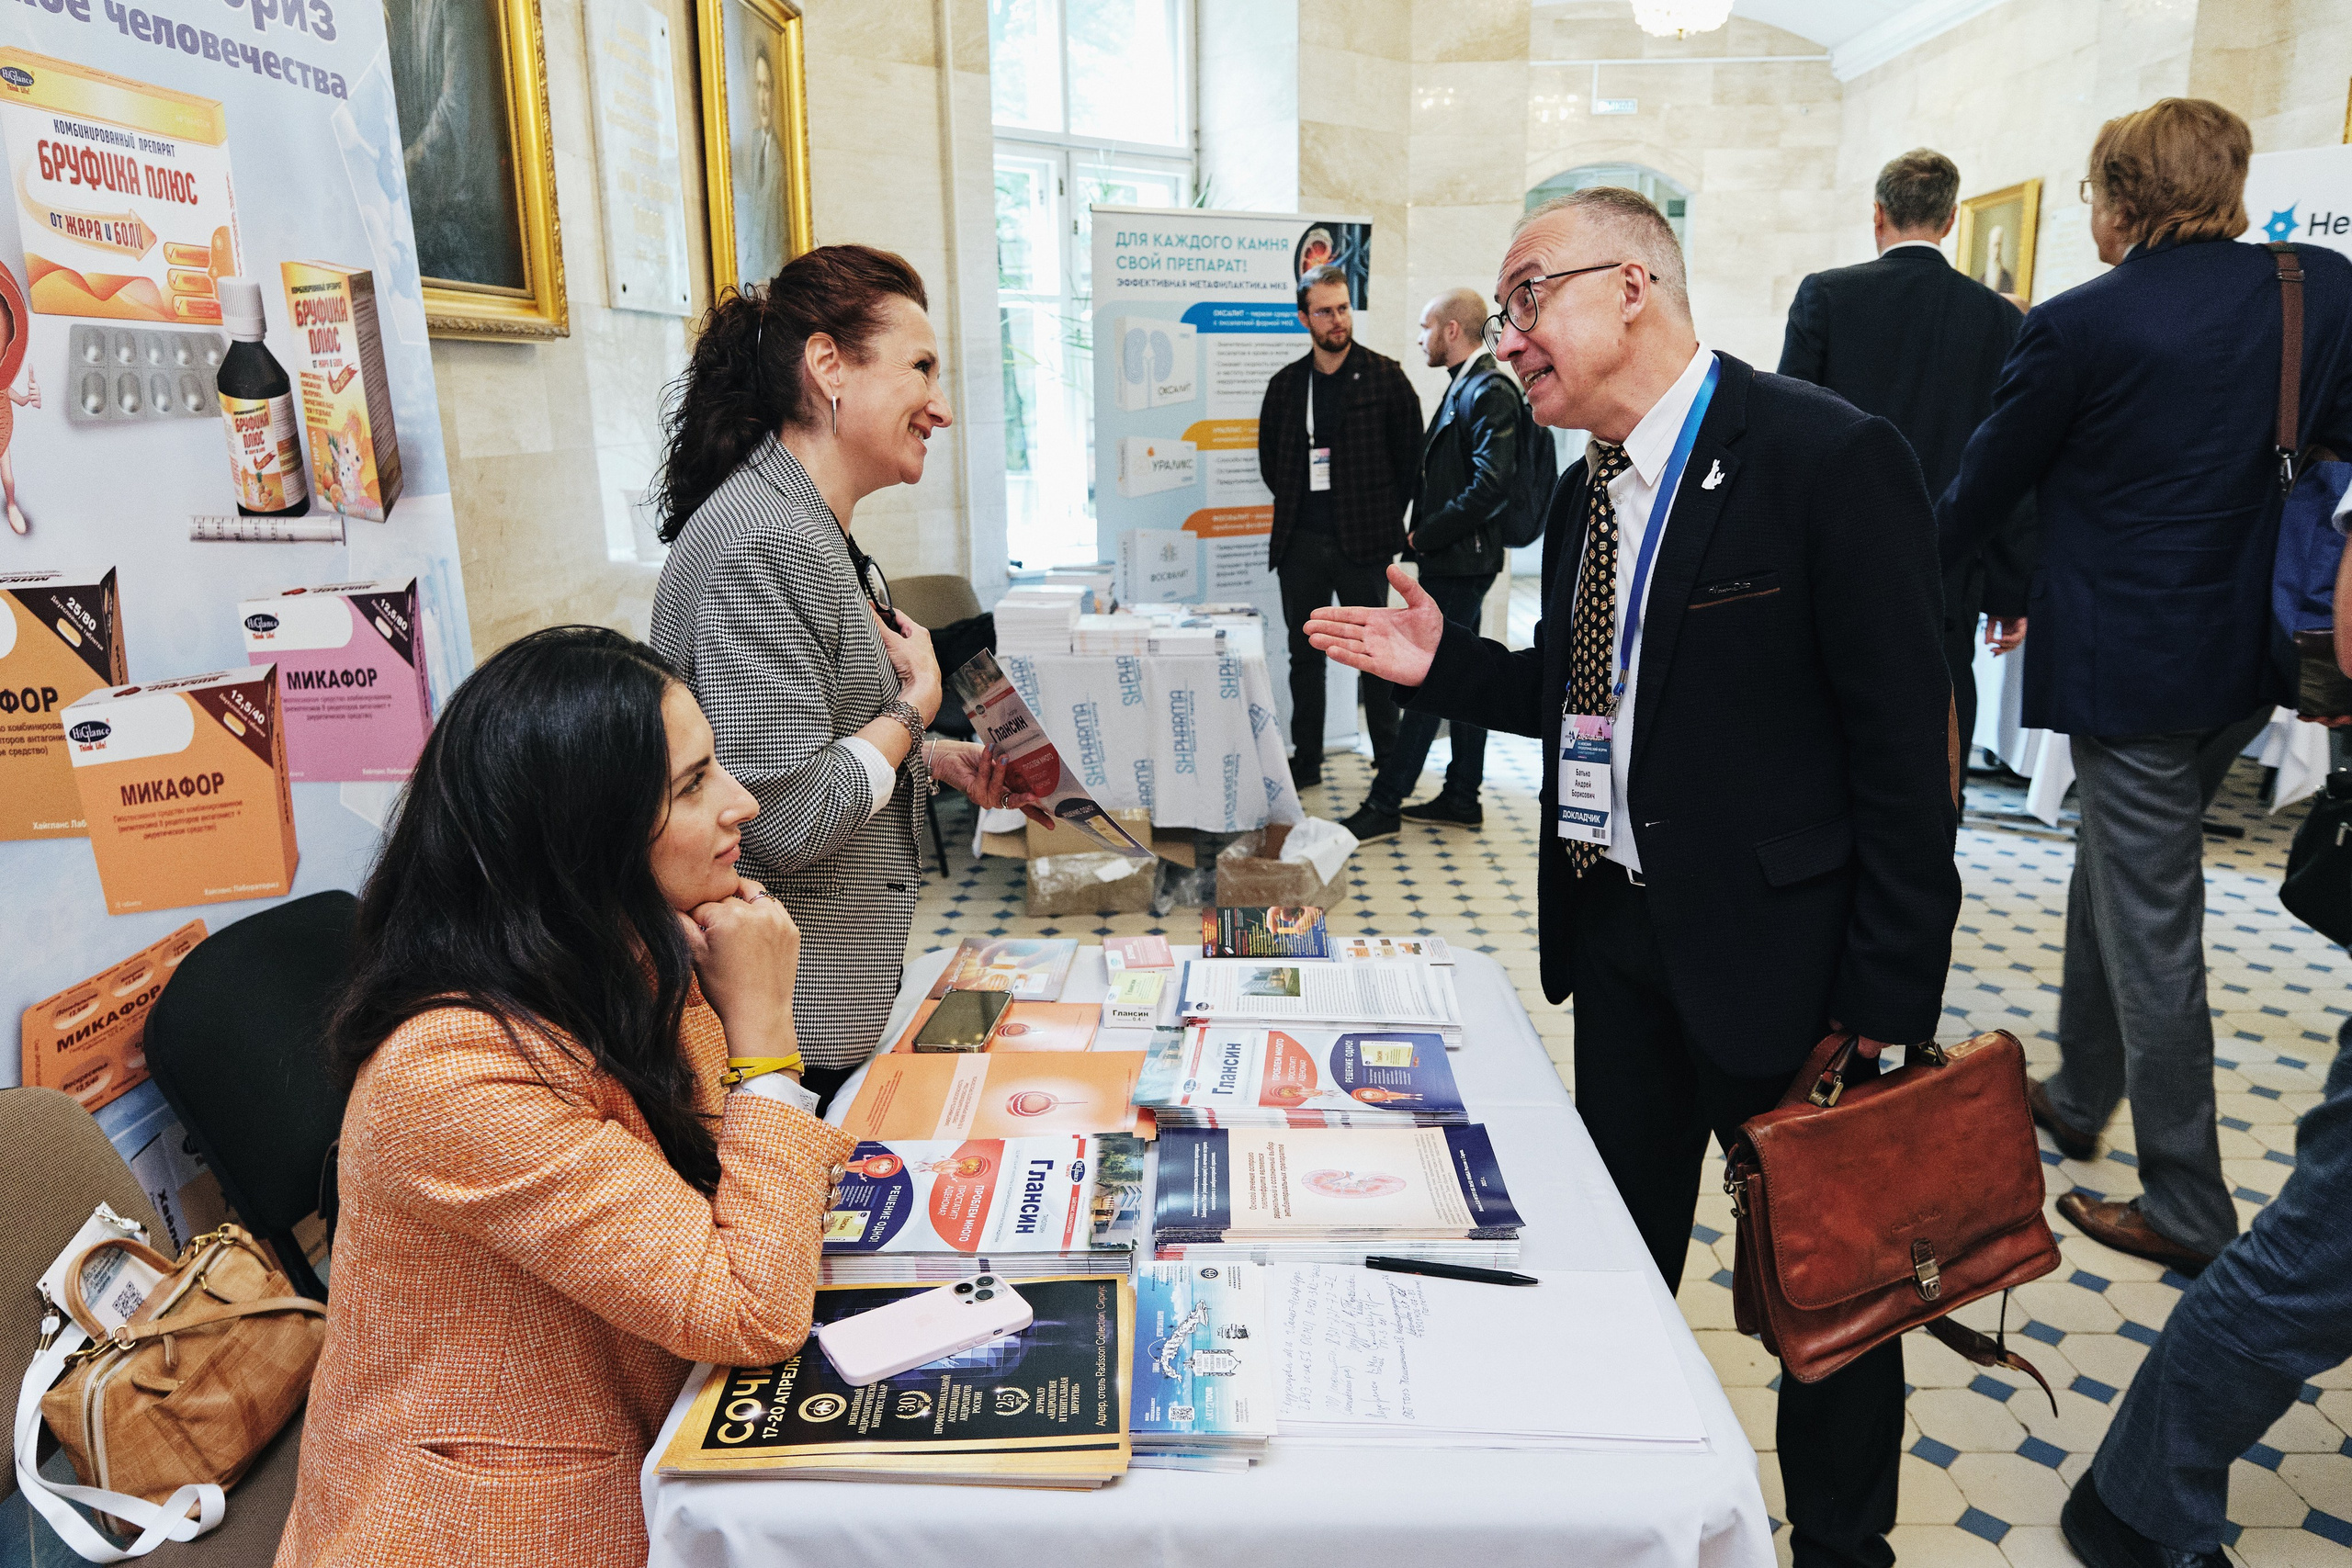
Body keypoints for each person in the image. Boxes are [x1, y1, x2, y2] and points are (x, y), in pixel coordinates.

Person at [1307, 186, 1961, 1568]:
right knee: (1616, 1262)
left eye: (1530, 296)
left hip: (1793, 971)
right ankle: (1614, 1511)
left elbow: (1910, 758)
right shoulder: (1589, 484)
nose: (1508, 338)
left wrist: (1887, 1002)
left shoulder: (1826, 459)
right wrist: (1449, 668)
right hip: (1620, 942)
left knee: (1830, 1298)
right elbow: (1595, 691)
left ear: (1635, 287)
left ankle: (1844, 1549)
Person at [277, 626, 857, 1568]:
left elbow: (743, 1188)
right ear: (583, 840)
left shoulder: (624, 952)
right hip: (485, 1531)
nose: (742, 805)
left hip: (646, 1410)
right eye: (691, 786)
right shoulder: (453, 1072)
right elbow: (749, 1310)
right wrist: (765, 1042)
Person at [1938, 98, 2352, 1275]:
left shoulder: (2081, 324)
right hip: (2249, 654)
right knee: (2116, 875)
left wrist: (1882, 570)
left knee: (2154, 922)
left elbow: (1980, 489)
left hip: (2134, 667)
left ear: (2116, 197)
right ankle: (2078, 1090)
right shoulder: (2312, 287)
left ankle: (2186, 1201)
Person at [650, 244, 1037, 1102]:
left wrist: (931, 755)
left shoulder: (805, 522)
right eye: (922, 369)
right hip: (789, 1018)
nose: (941, 407)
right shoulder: (769, 540)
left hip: (831, 995)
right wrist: (912, 711)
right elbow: (778, 816)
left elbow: (814, 731)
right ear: (828, 366)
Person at [1779, 147, 2034, 753]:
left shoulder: (1826, 296)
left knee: (1826, 724)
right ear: (1949, 222)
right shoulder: (2000, 321)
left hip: (1834, 555)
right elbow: (2012, 458)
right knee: (1934, 728)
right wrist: (2009, 590)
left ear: (1877, 214)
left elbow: (1785, 434)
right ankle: (1930, 840)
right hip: (1946, 567)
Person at [1339, 288, 1522, 840]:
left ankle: (1385, 802)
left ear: (1450, 331)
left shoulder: (1487, 388)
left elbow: (1492, 483)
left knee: (1435, 678)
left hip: (1461, 561)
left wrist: (1424, 532)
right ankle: (1462, 795)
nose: (1418, 338)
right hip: (1455, 561)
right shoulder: (1466, 386)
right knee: (1459, 673)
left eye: (1425, 327)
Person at [1258, 261, 1424, 791]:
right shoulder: (1286, 386)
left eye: (1344, 308)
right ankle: (1307, 759)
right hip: (1301, 543)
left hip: (1364, 545)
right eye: (1325, 311)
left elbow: (1409, 463)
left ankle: (1388, 762)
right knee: (1303, 657)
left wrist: (1380, 519)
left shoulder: (1386, 377)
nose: (1338, 320)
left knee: (1376, 659)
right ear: (1304, 318)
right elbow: (1272, 465)